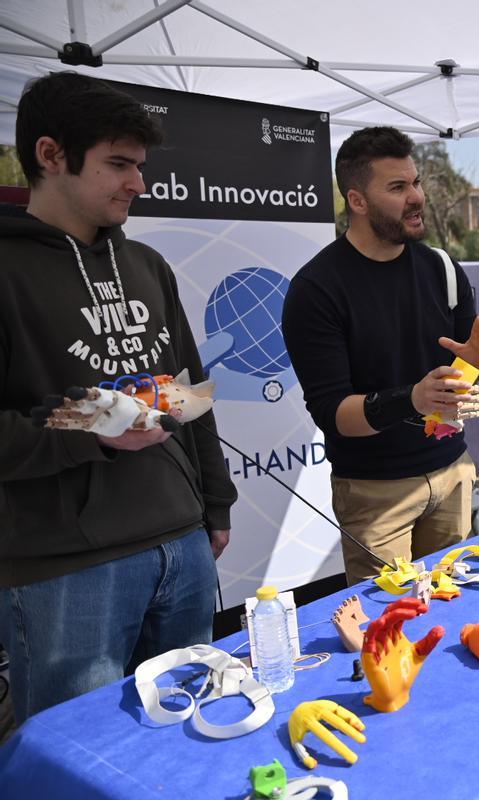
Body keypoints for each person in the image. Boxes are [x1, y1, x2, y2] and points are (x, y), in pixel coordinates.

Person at [0, 72, 237, 725]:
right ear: (51, 156)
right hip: (66, 570)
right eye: (118, 164)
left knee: (194, 734)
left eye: (139, 165)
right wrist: (94, 425)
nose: (138, 182)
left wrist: (214, 504)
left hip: (183, 542)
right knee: (79, 754)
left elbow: (188, 396)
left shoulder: (148, 265)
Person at [282, 127, 479, 586]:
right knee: (391, 625)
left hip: (454, 472)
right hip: (376, 494)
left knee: (454, 609)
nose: (416, 196)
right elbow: (334, 414)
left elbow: (463, 382)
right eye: (398, 187)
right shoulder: (316, 289)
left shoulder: (441, 266)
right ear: (357, 201)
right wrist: (414, 399)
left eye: (416, 182)